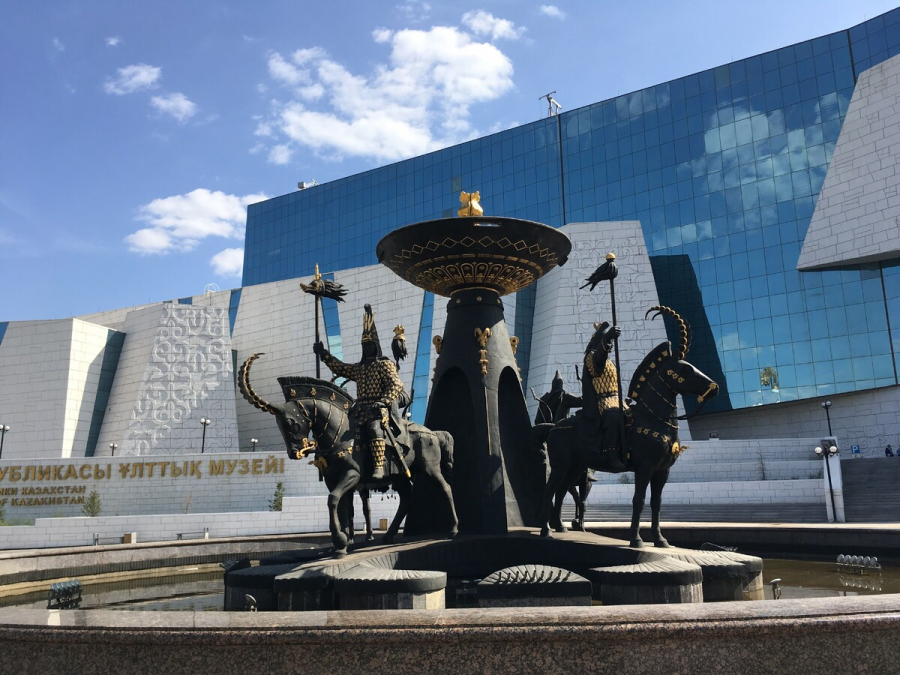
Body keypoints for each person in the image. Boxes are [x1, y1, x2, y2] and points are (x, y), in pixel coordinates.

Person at [314, 304, 408, 480]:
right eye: (364, 345)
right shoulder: (359, 368)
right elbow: (340, 368)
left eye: (370, 345)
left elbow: (395, 384)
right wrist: (324, 354)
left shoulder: (384, 364)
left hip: (377, 408)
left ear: (376, 345)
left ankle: (379, 466)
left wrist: (384, 401)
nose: (367, 348)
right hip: (358, 410)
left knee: (374, 428)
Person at [582, 321, 625, 456]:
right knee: (613, 417)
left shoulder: (609, 361)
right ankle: (613, 453)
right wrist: (607, 338)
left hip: (617, 399)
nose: (610, 346)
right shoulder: (590, 356)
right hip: (603, 401)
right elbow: (598, 361)